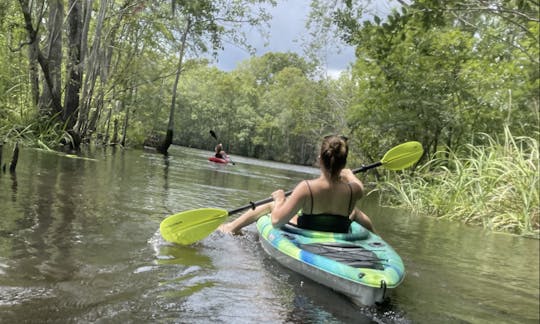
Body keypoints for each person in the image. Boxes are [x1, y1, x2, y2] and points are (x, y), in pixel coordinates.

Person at [218, 134, 375, 235]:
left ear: (320, 159)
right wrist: (349, 174)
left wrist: (280, 199)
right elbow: (358, 185)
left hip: (308, 231)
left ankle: (231, 228)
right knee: (355, 212)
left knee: (272, 204)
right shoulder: (354, 190)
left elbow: (276, 222)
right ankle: (375, 237)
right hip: (337, 229)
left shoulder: (306, 188)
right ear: (344, 163)